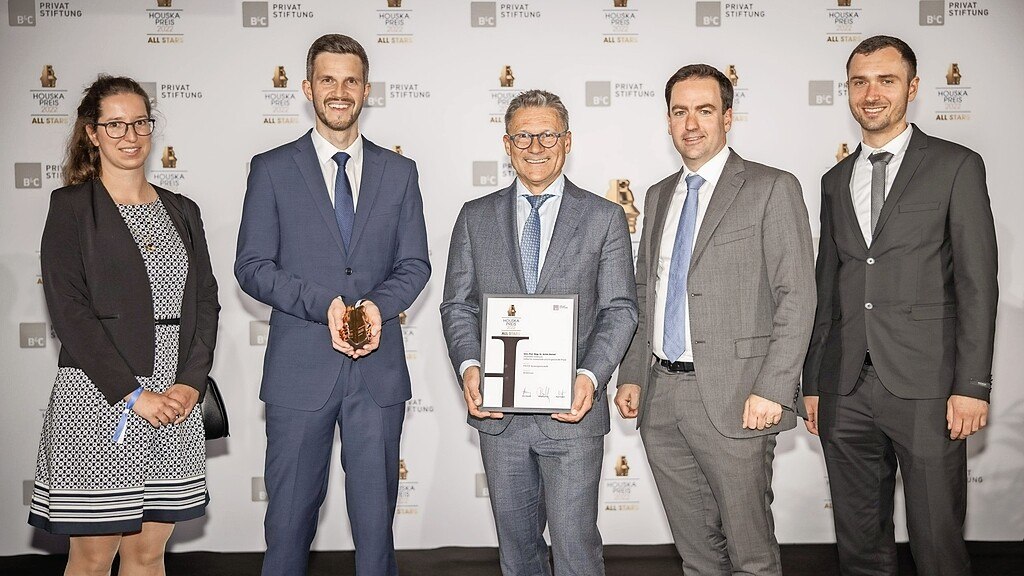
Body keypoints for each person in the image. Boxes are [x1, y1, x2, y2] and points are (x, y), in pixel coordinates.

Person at [235, 34, 430, 576]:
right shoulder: (271, 168)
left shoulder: (400, 172)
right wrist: (327, 305)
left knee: (376, 537)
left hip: (378, 375)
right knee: (288, 531)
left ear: (367, 90)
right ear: (307, 88)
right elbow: (251, 266)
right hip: (299, 374)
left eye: (350, 81)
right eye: (328, 79)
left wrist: (373, 307)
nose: (339, 91)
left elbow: (414, 265)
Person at [802, 35, 998, 576]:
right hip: (845, 385)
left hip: (929, 384)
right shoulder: (834, 180)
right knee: (859, 544)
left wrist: (972, 385)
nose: (871, 93)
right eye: (860, 81)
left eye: (886, 80)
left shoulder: (956, 165)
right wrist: (813, 381)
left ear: (911, 88)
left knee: (937, 542)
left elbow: (978, 284)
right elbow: (829, 284)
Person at [614, 64, 816, 576]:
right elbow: (643, 292)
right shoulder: (659, 195)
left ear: (728, 117)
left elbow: (797, 295)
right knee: (696, 554)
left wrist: (773, 387)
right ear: (667, 120)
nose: (691, 124)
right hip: (661, 398)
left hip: (739, 396)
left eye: (704, 110)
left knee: (750, 554)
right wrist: (633, 373)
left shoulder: (772, 187)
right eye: (680, 112)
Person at [440, 89, 638, 576]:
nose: (535, 145)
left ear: (567, 141)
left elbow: (619, 309)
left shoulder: (604, 217)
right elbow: (457, 305)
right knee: (517, 551)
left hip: (571, 413)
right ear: (507, 144)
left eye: (547, 134)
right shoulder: (474, 217)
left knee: (575, 549)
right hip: (499, 416)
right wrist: (470, 367)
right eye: (523, 135)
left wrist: (589, 377)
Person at [29, 75, 220, 575]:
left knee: (148, 553)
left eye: (139, 122)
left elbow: (205, 302)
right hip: (99, 399)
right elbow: (70, 312)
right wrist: (134, 395)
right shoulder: (70, 208)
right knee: (93, 558)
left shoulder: (182, 210)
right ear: (92, 133)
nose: (129, 135)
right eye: (114, 124)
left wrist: (189, 384)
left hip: (174, 404)